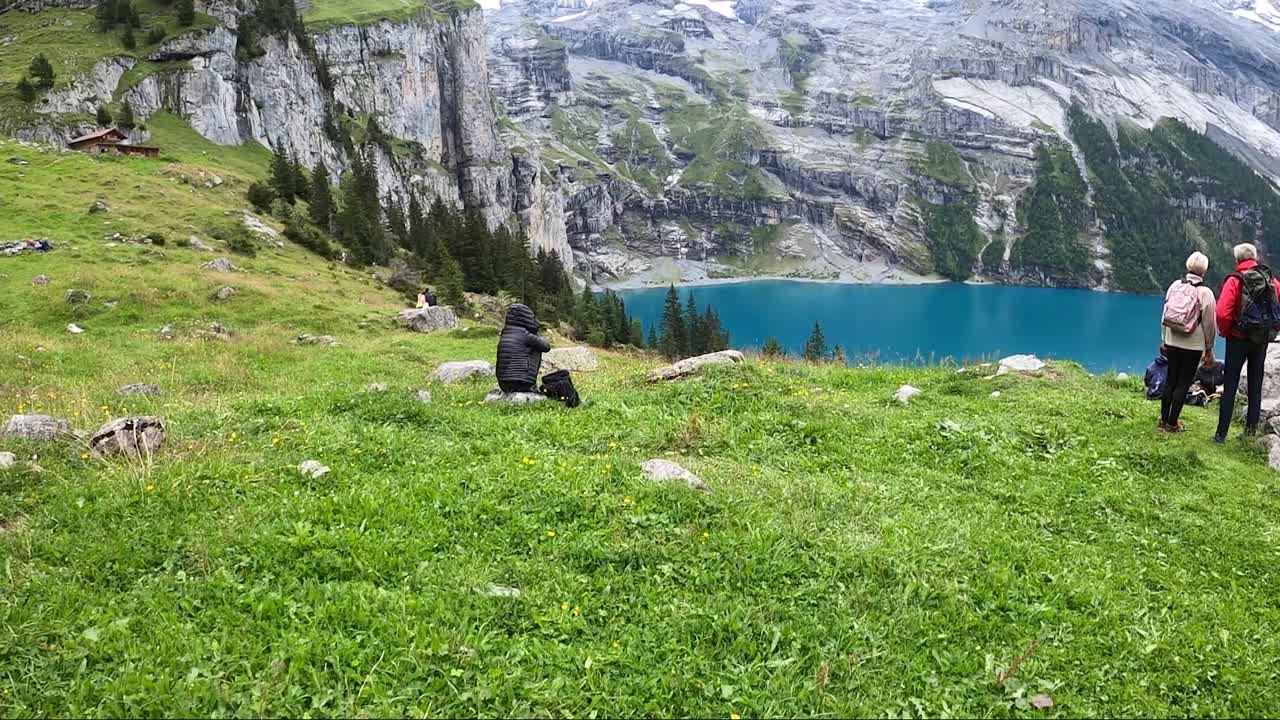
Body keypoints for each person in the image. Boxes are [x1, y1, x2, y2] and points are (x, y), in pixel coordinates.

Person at [1214, 243, 1280, 443]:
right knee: (1255, 384)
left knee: (1231, 383)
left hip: (1238, 338)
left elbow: (1222, 312)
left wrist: (1227, 332)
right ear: (1255, 258)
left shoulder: (1235, 280)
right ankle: (1250, 433)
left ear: (1237, 260)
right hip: (1260, 340)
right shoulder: (1272, 281)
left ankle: (1221, 434)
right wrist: (1271, 331)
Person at [1158, 252, 1217, 432]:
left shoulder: (1175, 286)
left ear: (1187, 267)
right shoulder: (1205, 293)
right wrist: (1209, 348)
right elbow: (1209, 324)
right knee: (1183, 382)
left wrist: (1164, 338)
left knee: (1171, 379)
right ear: (1204, 272)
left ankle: (1163, 420)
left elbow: (1165, 313)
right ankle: (1172, 423)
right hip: (1192, 345)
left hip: (1172, 339)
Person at [496, 303, 551, 394]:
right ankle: (530, 383)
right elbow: (546, 347)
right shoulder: (525, 335)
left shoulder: (505, 334)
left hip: (503, 384)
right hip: (521, 383)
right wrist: (538, 336)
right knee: (537, 348)